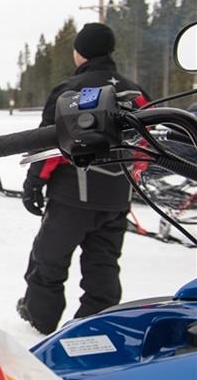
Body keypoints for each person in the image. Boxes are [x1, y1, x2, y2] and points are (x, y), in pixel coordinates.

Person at [17, 22, 149, 334]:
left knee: (48, 258)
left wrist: (34, 182)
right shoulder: (135, 92)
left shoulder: (70, 90)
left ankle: (40, 316)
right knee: (103, 263)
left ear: (80, 53)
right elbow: (147, 142)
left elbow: (48, 143)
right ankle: (96, 321)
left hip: (73, 195)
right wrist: (132, 174)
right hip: (117, 195)